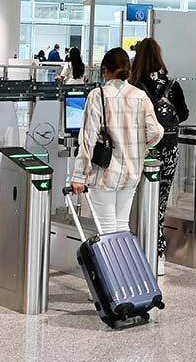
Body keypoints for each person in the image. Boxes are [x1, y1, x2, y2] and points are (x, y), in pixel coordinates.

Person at [69, 48, 164, 235]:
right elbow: (156, 131)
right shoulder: (139, 96)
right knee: (121, 227)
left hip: (105, 173)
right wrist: (142, 148)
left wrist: (78, 176)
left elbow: (88, 139)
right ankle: (123, 264)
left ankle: (110, 264)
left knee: (106, 229)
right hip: (132, 172)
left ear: (105, 70)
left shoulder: (98, 95)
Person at [130, 38, 189, 275]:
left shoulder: (132, 84)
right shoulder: (171, 85)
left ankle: (136, 246)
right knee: (161, 200)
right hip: (168, 146)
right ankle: (158, 250)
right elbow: (183, 113)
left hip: (139, 148)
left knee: (136, 197)